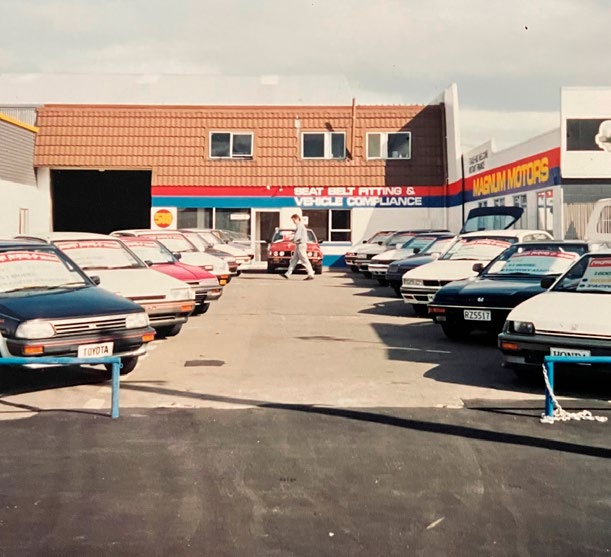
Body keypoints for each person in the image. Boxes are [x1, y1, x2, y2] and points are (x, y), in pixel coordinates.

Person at [283, 214, 315, 280]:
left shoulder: (300, 226)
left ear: (297, 219)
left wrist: (291, 240)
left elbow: (297, 237)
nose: (293, 222)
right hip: (298, 245)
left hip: (301, 245)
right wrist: (292, 240)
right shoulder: (300, 226)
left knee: (304, 259)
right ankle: (288, 273)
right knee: (294, 260)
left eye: (294, 220)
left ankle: (311, 273)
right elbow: (297, 237)